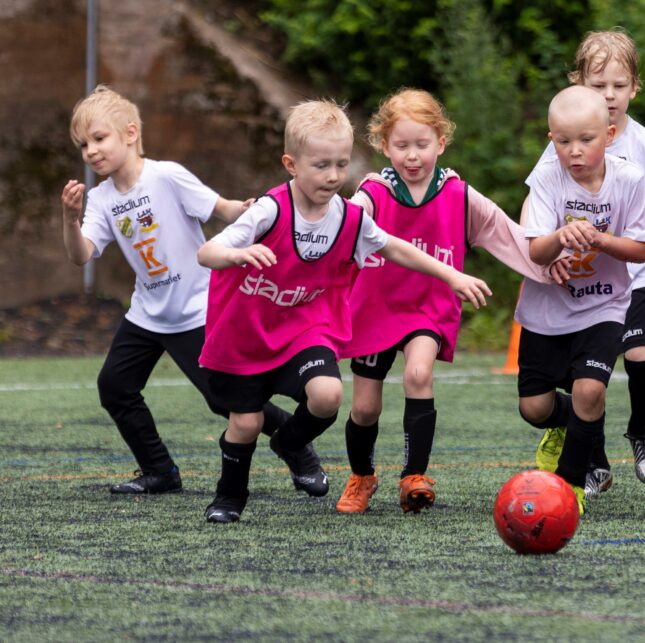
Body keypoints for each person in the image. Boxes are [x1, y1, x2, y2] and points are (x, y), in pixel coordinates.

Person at [196, 99, 490, 523]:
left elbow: (394, 246)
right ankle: (229, 497)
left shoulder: (348, 217)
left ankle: (291, 443)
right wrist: (236, 255)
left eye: (341, 164)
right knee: (245, 422)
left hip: (303, 329)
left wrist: (451, 275)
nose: (333, 176)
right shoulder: (269, 210)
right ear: (291, 164)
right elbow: (207, 252)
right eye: (320, 165)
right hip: (248, 332)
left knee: (329, 394)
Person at [60, 84, 325, 497]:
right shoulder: (99, 198)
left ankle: (298, 449)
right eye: (83, 145)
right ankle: (160, 471)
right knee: (114, 387)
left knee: (225, 402)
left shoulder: (166, 175)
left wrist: (249, 210)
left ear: (130, 134)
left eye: (99, 138)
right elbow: (81, 256)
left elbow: (222, 209)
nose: (90, 151)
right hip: (147, 314)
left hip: (197, 311)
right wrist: (71, 219)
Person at [336, 89, 567, 514]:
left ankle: (414, 476)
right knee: (365, 407)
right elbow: (342, 229)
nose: (411, 155)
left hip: (427, 308)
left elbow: (508, 235)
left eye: (421, 144)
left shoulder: (458, 194)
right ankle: (362, 476)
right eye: (401, 145)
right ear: (384, 146)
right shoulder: (373, 192)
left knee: (419, 374)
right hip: (375, 307)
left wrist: (547, 265)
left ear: (441, 143)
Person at [526, 29, 645, 499]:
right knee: (579, 388)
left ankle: (640, 429)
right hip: (578, 285)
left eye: (619, 86)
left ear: (635, 87)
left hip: (633, 273)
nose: (610, 96)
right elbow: (533, 202)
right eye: (599, 86)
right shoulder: (563, 143)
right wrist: (545, 259)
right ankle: (591, 456)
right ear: (579, 84)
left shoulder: (643, 143)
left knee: (641, 355)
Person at [516, 85, 645, 513]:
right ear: (551, 140)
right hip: (547, 309)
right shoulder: (546, 178)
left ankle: (571, 487)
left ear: (610, 135)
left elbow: (642, 248)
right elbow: (534, 250)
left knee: (590, 390)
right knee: (533, 408)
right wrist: (559, 237)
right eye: (563, 142)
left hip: (604, 306)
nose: (574, 151)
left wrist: (600, 240)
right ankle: (569, 425)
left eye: (586, 140)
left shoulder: (629, 179)